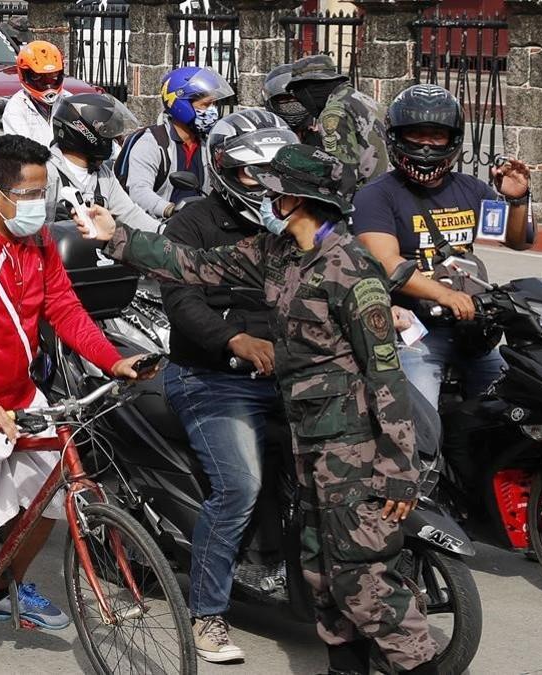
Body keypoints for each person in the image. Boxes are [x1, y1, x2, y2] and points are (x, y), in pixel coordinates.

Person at [84, 143, 438, 675]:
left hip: (355, 450)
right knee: (322, 575)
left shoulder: (350, 270)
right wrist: (118, 236)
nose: (265, 199)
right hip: (309, 442)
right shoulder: (280, 255)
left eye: (273, 192)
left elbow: (384, 376)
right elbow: (195, 265)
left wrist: (398, 473)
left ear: (297, 200)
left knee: (366, 583)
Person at [0, 134, 149, 675]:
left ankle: (6, 586)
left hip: (19, 400)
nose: (42, 204)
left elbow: (65, 309)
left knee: (54, 484)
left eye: (46, 191)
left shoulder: (36, 243)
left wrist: (114, 361)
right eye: (32, 193)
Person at [158, 109, 297, 663]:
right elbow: (181, 300)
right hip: (212, 379)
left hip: (291, 376)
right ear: (221, 170)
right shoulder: (190, 225)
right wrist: (234, 341)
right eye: (250, 174)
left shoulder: (298, 223)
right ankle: (208, 615)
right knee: (238, 486)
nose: (264, 186)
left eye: (274, 174)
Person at [352, 83, 532, 408]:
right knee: (419, 422)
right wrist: (446, 295)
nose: (425, 144)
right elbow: (388, 265)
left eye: (436, 135)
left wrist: (517, 199)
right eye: (416, 133)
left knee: (513, 407)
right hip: (413, 331)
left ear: (453, 139)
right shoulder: (376, 195)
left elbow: (513, 240)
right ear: (396, 136)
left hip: (472, 331)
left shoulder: (472, 190)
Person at [123, 66, 233, 219]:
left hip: (199, 226)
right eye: (206, 105)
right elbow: (139, 190)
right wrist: (170, 210)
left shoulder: (207, 144)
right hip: (159, 229)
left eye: (214, 105)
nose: (212, 111)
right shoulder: (152, 143)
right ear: (181, 105)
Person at [45, 93, 160, 233]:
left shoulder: (104, 175)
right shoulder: (47, 172)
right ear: (85, 133)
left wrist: (165, 233)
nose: (112, 142)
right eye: (106, 133)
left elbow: (130, 214)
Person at [285, 54, 387, 187]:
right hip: (390, 188)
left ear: (308, 89)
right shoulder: (363, 100)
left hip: (368, 195)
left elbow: (344, 173)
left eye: (298, 93)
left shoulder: (332, 114)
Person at [1, 40, 68, 147]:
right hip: (36, 162)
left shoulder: (69, 102)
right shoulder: (17, 108)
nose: (48, 84)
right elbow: (22, 152)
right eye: (38, 77)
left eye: (53, 75)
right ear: (25, 76)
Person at [263, 63, 313, 140]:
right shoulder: (264, 136)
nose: (291, 105)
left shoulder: (321, 134)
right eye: (283, 99)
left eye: (295, 99)